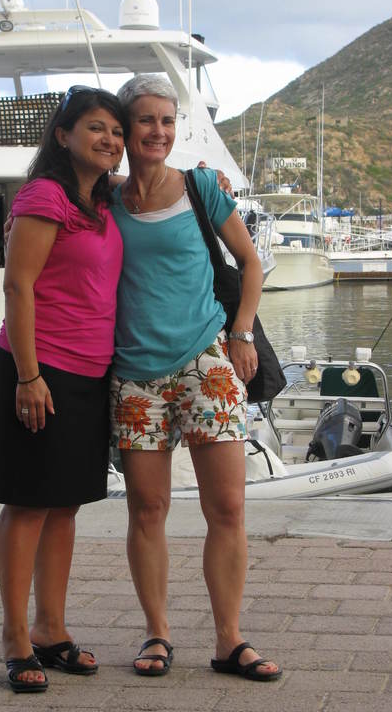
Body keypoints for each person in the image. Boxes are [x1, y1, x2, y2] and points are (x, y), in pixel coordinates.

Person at [109, 74, 282, 681]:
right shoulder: (105, 200)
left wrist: (241, 333)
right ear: (126, 128)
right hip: (134, 373)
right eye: (146, 120)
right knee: (146, 509)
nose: (159, 131)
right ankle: (157, 633)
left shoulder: (201, 187)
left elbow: (251, 261)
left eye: (168, 120)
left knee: (228, 507)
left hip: (205, 362)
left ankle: (229, 640)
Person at [0, 86, 127, 692]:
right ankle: (16, 637)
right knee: (28, 503)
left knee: (65, 503)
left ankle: (51, 628)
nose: (110, 140)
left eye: (116, 132)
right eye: (96, 128)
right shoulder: (46, 195)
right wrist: (28, 375)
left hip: (90, 373)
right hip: (39, 369)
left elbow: (154, 186)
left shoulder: (101, 199)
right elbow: (18, 287)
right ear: (63, 135)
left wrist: (204, 180)